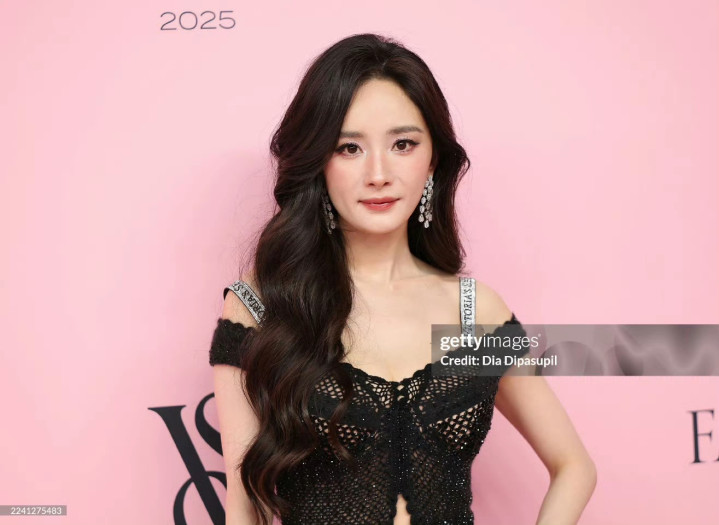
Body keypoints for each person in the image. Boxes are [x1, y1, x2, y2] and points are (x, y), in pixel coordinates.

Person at [209, 33, 596, 525]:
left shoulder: (474, 312)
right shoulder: (260, 306)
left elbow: (574, 466)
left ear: (432, 159)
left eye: (403, 144)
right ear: (318, 162)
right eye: (349, 147)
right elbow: (244, 508)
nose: (379, 173)